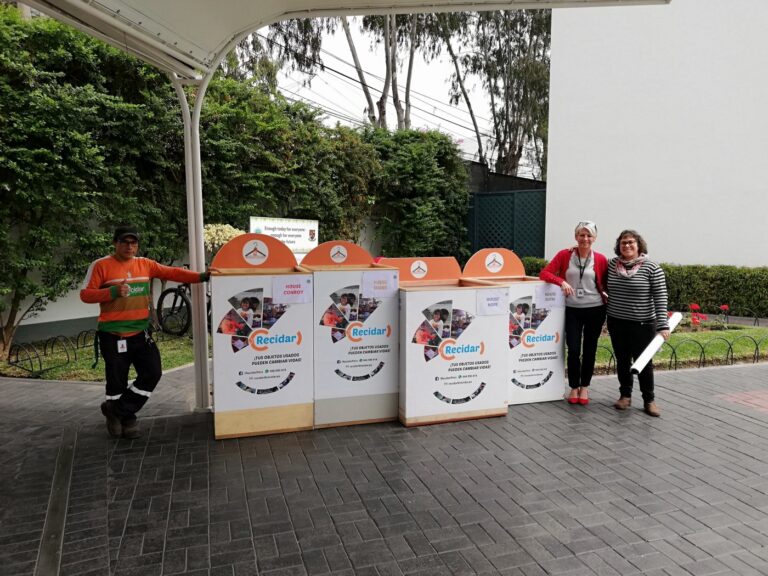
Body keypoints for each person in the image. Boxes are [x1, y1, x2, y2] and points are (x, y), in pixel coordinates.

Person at [80, 226, 212, 439]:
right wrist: (112, 291)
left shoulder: (145, 264)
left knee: (152, 372)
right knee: (117, 380)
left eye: (133, 243)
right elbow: (86, 295)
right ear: (115, 243)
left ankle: (117, 411)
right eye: (124, 242)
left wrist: (203, 276)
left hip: (140, 332)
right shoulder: (101, 265)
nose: (129, 246)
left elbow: (172, 272)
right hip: (113, 335)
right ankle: (127, 420)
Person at [540, 221, 608, 405]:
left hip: (595, 309)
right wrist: (561, 282)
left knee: (590, 349)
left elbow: (606, 283)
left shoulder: (601, 259)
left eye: (589, 235)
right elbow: (545, 273)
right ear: (576, 236)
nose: (585, 238)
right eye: (581, 235)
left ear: (594, 238)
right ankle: (574, 386)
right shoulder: (565, 255)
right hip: (572, 310)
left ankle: (584, 387)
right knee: (574, 349)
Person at [606, 229, 669, 417]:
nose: (627, 245)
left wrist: (663, 325)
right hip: (617, 322)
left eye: (631, 242)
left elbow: (660, 297)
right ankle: (625, 396)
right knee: (622, 360)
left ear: (639, 245)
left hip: (643, 324)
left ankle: (649, 400)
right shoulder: (612, 265)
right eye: (623, 242)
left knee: (644, 362)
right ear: (619, 246)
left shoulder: (652, 268)